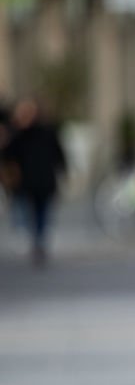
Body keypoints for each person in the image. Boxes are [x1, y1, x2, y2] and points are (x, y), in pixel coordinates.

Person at [1, 97, 66, 266]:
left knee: (42, 212)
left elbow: (58, 153)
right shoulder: (18, 133)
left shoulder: (46, 131)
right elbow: (9, 155)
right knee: (29, 211)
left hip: (44, 180)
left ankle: (39, 240)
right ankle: (35, 239)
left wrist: (63, 170)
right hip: (28, 182)